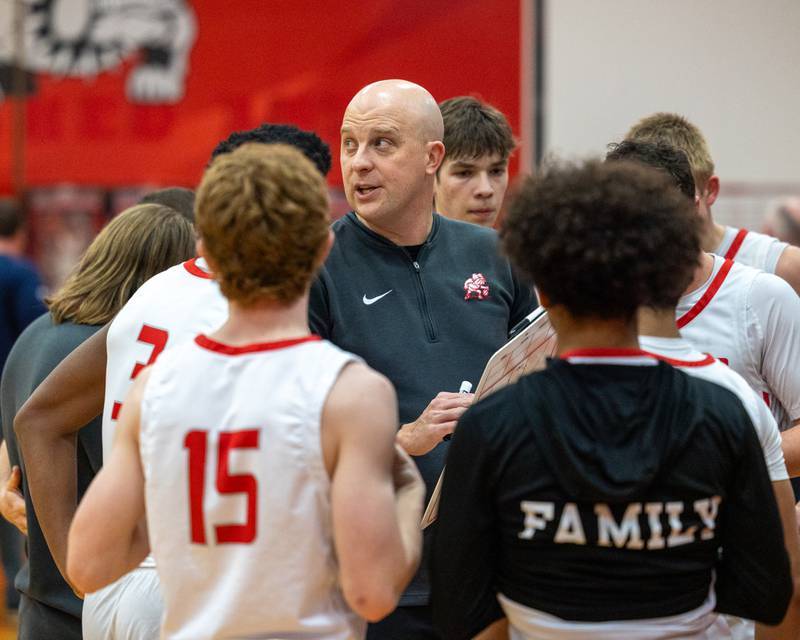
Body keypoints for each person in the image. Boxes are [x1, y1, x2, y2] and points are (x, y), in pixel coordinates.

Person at [67, 143, 425, 639]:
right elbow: (373, 592)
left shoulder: (156, 388)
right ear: (324, 248)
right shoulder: (351, 394)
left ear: (205, 251)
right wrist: (408, 497)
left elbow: (88, 566)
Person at [431, 159, 794, 640]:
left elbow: (463, 611)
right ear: (655, 281)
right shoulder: (724, 413)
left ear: (543, 289)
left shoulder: (492, 424)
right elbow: (771, 595)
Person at [15, 122, 333, 640]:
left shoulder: (156, 290)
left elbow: (40, 417)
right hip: (198, 584)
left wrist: (77, 565)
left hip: (117, 588)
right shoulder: (248, 313)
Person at [310, 79, 536, 639]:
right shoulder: (316, 268)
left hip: (496, 562)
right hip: (376, 572)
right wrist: (403, 443)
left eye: (382, 144)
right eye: (349, 144)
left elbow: (539, 375)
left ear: (432, 157)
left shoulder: (497, 254)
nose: (358, 164)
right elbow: (292, 436)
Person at [0, 203, 194, 640]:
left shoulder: (34, 333)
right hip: (94, 603)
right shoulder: (115, 354)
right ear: (164, 273)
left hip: (39, 603)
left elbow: (13, 437)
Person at [606, 140, 800, 474]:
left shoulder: (761, 296)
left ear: (694, 208)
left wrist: (715, 466)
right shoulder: (593, 305)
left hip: (741, 515)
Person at [626, 112, 800, 294]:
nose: (659, 212)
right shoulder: (622, 273)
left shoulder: (781, 267)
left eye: (675, 194)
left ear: (710, 189)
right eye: (644, 197)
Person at [0, 198, 45, 616]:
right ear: (22, 230)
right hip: (6, 396)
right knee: (10, 490)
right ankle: (17, 589)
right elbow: (38, 334)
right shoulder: (21, 273)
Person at [433, 96, 515, 228]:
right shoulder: (398, 246)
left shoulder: (522, 248)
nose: (486, 190)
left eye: (496, 171)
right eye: (464, 173)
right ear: (430, 179)